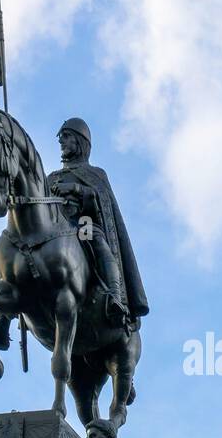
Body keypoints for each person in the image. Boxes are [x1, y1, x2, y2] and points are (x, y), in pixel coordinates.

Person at [47, 118, 150, 328]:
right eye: (60, 138)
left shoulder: (96, 174)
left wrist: (76, 190)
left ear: (79, 142)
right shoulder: (51, 178)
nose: (62, 142)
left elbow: (101, 202)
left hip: (83, 223)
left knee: (94, 238)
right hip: (55, 230)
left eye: (66, 137)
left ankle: (115, 297)